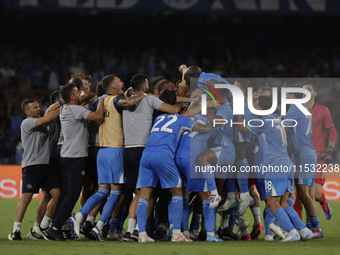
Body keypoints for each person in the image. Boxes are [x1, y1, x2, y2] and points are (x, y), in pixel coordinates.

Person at [68, 74, 146, 241]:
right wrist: (144, 95)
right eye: (119, 81)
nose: (122, 82)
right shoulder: (116, 100)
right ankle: (100, 225)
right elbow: (130, 102)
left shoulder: (99, 100)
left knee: (102, 190)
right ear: (113, 87)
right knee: (117, 192)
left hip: (102, 151)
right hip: (115, 150)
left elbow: (87, 105)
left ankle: (79, 218)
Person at [121, 74, 184, 241]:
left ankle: (134, 231)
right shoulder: (149, 99)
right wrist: (189, 100)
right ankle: (138, 230)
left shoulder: (124, 101)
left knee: (138, 193)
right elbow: (174, 110)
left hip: (127, 150)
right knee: (151, 194)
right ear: (144, 87)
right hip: (145, 148)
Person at [46, 83, 104, 241]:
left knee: (65, 194)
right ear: (72, 97)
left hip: (65, 155)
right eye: (78, 92)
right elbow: (98, 116)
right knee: (72, 195)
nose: (81, 94)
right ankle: (56, 227)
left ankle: (55, 226)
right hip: (75, 157)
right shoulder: (76, 109)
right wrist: (103, 101)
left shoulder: (65, 109)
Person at [136, 89, 191, 242]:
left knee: (144, 194)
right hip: (163, 155)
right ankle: (177, 233)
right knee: (177, 191)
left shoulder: (158, 118)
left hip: (146, 154)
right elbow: (198, 125)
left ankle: (141, 234)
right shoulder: (180, 119)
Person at [8, 99, 62, 241]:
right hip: (32, 166)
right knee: (26, 198)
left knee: (56, 194)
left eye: (39, 106)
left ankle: (41, 227)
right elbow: (50, 116)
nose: (38, 108)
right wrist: (64, 102)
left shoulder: (43, 123)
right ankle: (16, 230)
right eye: (34, 107)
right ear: (27, 111)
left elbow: (51, 117)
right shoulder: (27, 123)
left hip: (46, 165)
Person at [284, 89, 324, 239]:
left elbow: (282, 125)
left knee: (302, 193)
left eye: (287, 95)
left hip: (303, 155)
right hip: (307, 154)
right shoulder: (304, 108)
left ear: (293, 96)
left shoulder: (295, 108)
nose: (285, 98)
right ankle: (310, 226)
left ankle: (317, 227)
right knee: (307, 193)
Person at [299, 83, 337, 220]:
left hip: (317, 156)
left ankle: (323, 201)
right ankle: (309, 227)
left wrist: (329, 150)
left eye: (309, 90)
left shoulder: (323, 110)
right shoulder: (297, 110)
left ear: (315, 93)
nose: (306, 92)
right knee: (302, 193)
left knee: (314, 194)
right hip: (300, 157)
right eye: (303, 90)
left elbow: (332, 131)